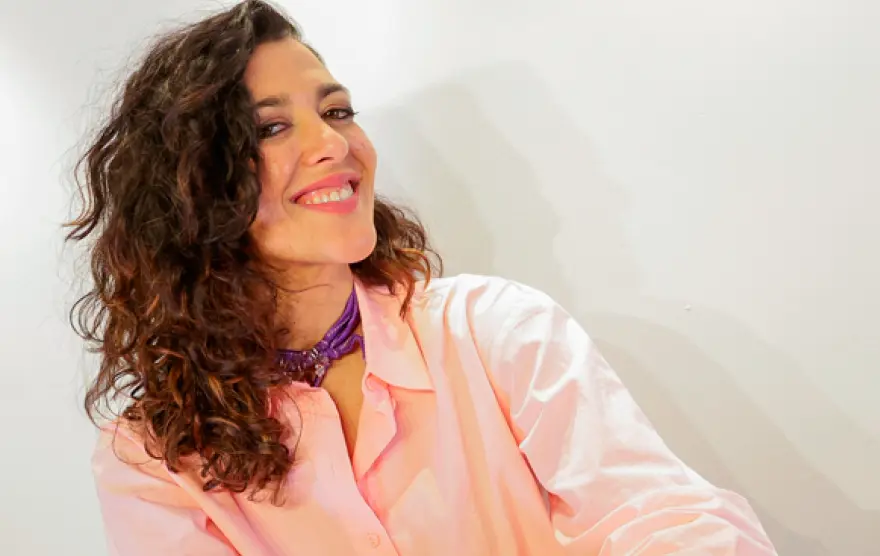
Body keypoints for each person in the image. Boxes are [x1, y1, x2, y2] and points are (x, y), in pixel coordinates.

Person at [67, 1, 777, 554]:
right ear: (189, 190)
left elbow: (665, 519)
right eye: (270, 129)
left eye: (337, 112)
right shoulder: (153, 460)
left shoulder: (494, 331)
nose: (334, 143)